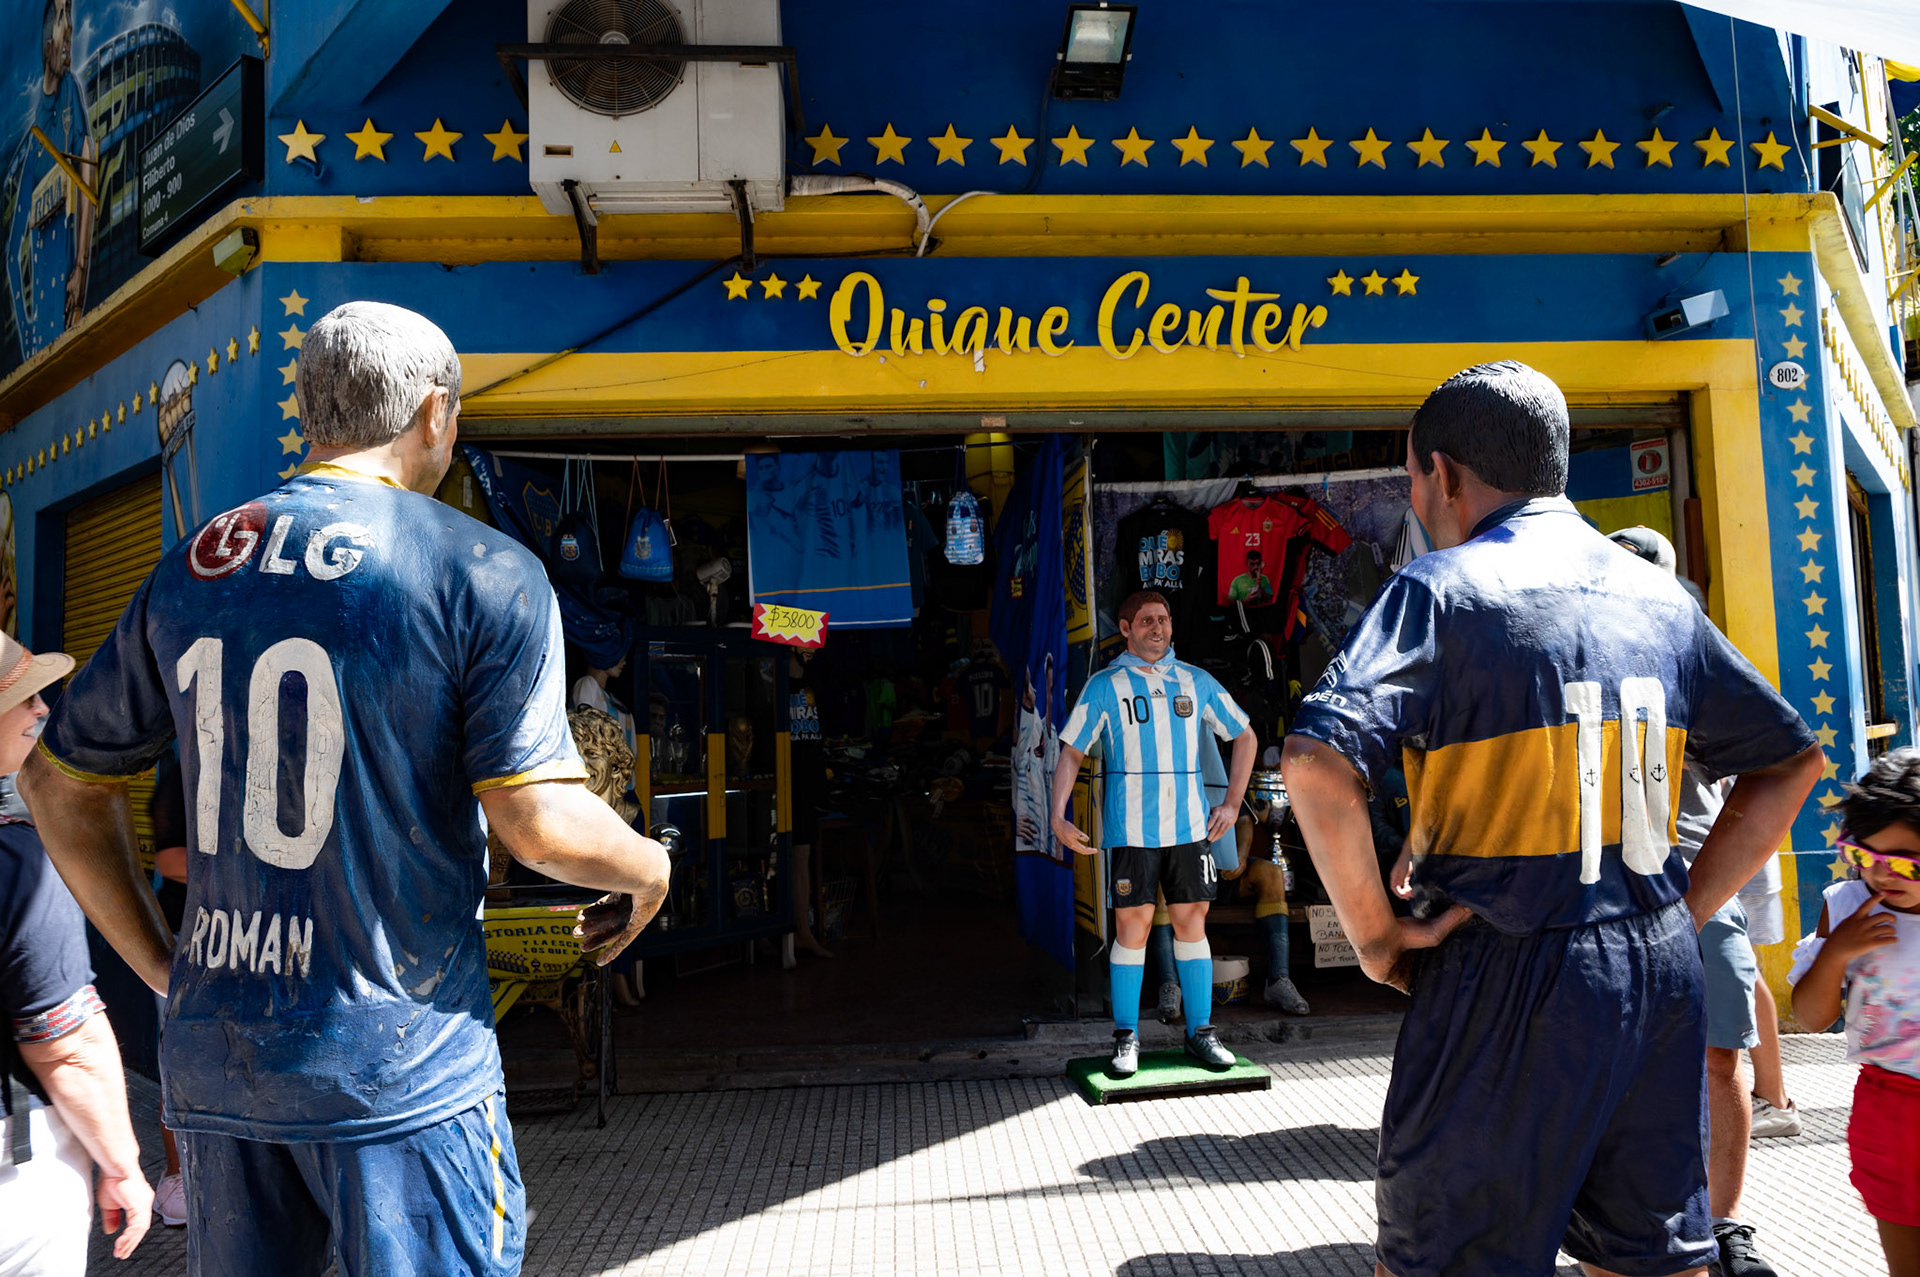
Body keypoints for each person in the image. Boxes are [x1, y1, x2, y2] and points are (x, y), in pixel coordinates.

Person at [19, 300, 672, 1277]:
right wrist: (650, 865)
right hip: (398, 1069)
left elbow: (56, 781)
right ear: (435, 412)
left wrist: (167, 968)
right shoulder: (482, 569)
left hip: (222, 1062)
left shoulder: (197, 565)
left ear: (309, 410)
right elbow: (536, 821)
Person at [1281, 360, 1822, 1277]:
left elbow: (1315, 761)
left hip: (1500, 969)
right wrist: (1680, 912)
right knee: (1654, 1258)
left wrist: (1374, 938)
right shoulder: (1662, 598)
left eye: (1414, 478)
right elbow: (1791, 760)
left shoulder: (1438, 590)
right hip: (1656, 975)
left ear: (1443, 474)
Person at [1607, 524, 1777, 1276]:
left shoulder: (1698, 653)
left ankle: (1725, 1225)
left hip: (1698, 873)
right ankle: (1622, 1224)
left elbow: (1779, 758)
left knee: (1718, 1054)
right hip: (1603, 882)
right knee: (1607, 1059)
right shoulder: (1576, 649)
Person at [1051, 590, 1258, 1076]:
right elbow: (1071, 751)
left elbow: (1245, 735)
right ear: (1125, 629)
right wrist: (1058, 816)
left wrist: (1232, 804)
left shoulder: (1196, 681)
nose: (1157, 628)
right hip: (1130, 831)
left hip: (1189, 829)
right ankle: (1126, 1037)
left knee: (1192, 924)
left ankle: (1201, 1032)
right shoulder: (1104, 685)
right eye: (1146, 621)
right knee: (1133, 929)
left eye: (1163, 619)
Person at [0, 635, 151, 1269]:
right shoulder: (18, 861)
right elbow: (67, 1043)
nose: (42, 709)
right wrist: (123, 1165)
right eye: (21, 697)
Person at [1790, 748, 1920, 1277]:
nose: (1881, 875)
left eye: (1905, 862)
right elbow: (1811, 1018)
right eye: (1864, 856)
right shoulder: (1846, 906)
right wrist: (1837, 951)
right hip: (1889, 1110)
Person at [3, 0, 96, 361]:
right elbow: (12, 252)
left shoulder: (70, 91)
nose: (68, 28)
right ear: (46, 44)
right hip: (43, 313)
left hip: (69, 295)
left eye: (69, 16)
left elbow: (87, 162)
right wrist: (25, 328)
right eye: (60, 18)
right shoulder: (34, 142)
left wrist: (81, 267)